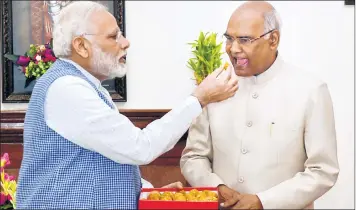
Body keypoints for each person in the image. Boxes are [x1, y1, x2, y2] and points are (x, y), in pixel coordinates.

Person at [16, 1, 238, 209]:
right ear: (81, 46)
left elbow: (105, 157)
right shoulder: (67, 89)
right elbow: (140, 147)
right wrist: (199, 98)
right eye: (114, 36)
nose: (125, 42)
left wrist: (147, 191)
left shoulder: (87, 86)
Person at [180, 1, 339, 209]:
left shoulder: (310, 90)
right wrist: (216, 187)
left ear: (273, 40)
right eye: (229, 38)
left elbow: (323, 171)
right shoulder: (214, 87)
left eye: (244, 39)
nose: (233, 48)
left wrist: (263, 202)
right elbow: (193, 156)